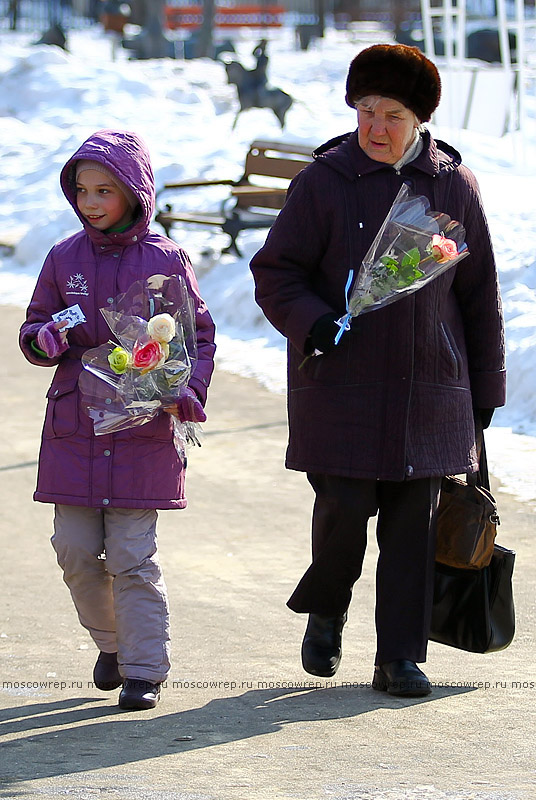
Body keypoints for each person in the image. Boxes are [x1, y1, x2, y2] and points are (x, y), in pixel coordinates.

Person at [250, 44, 505, 697]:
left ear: (419, 118)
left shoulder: (454, 185)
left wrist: (485, 393)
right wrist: (315, 321)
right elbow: (276, 273)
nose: (376, 127)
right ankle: (328, 606)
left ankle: (399, 656)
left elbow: (479, 297)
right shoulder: (324, 181)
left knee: (410, 527)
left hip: (429, 391)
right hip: (341, 385)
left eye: (392, 113)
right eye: (366, 110)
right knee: (343, 510)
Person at [19, 129, 216, 711]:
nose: (92, 202)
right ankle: (111, 643)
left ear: (135, 191)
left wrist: (186, 388)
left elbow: (197, 334)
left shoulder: (165, 258)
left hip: (142, 431)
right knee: (74, 550)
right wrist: (44, 339)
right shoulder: (64, 258)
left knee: (132, 555)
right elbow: (33, 330)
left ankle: (144, 669)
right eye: (83, 190)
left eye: (106, 190)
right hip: (76, 428)